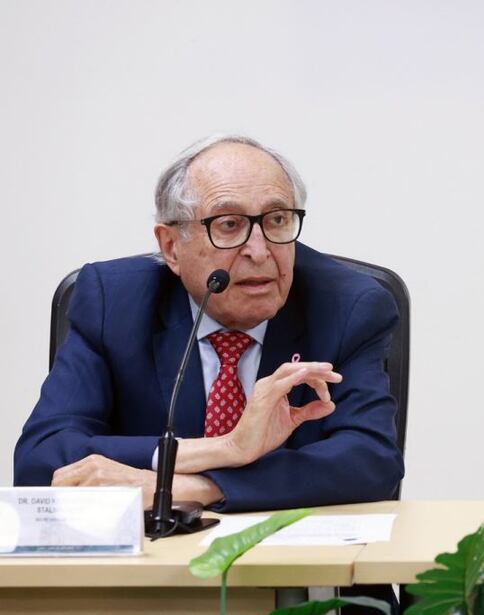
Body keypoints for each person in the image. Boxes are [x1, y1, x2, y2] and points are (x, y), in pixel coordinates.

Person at [14, 135, 403, 509]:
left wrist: (198, 487)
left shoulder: (348, 306)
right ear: (171, 247)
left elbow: (372, 460)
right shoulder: (113, 304)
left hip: (292, 551)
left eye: (277, 220)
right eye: (229, 225)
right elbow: (41, 459)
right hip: (149, 552)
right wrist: (224, 449)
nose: (259, 251)